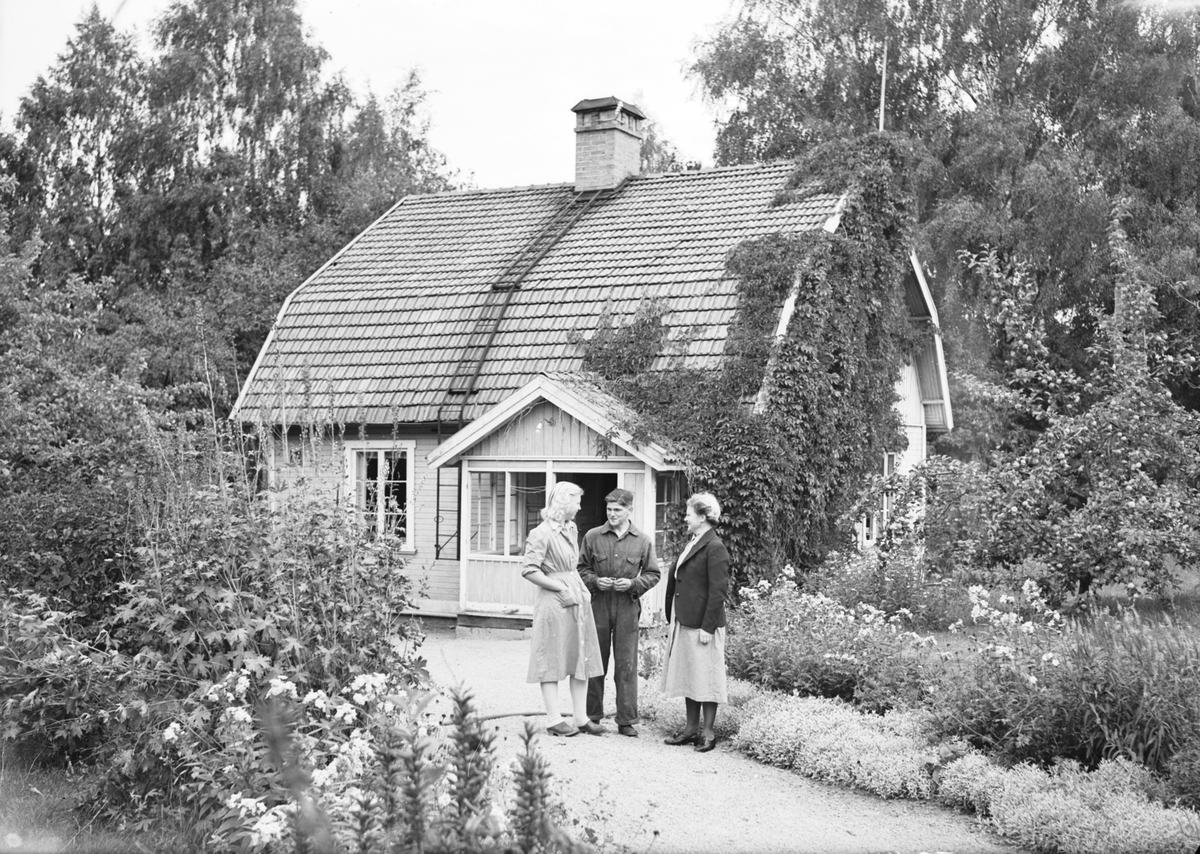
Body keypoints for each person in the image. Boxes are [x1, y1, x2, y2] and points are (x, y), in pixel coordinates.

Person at [521, 481, 605, 736]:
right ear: (564, 502)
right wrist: (560, 587)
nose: (579, 507)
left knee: (580, 654)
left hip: (576, 597)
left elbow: (572, 567)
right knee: (552, 656)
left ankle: (580, 717)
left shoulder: (571, 528)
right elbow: (529, 570)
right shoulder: (541, 533)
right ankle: (553, 719)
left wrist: (582, 589)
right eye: (577, 502)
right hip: (553, 602)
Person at [577, 488, 661, 737]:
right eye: (609, 509)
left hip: (627, 606)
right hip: (599, 605)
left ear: (629, 510)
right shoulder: (593, 536)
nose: (612, 514)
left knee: (626, 664)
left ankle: (626, 720)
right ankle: (592, 716)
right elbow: (581, 569)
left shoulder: (642, 541)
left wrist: (633, 584)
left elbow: (653, 574)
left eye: (617, 510)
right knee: (595, 661)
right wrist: (595, 581)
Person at [660, 492, 729, 753]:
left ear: (703, 517)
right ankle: (690, 730)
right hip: (686, 619)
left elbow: (718, 591)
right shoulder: (694, 541)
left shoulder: (715, 546)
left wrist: (707, 628)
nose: (685, 518)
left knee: (707, 678)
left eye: (689, 514)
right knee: (691, 675)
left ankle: (708, 733)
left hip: (703, 624)